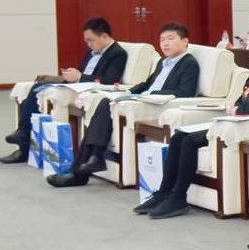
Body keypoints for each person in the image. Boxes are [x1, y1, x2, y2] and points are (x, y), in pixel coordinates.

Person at [137, 28, 249, 220]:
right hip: (233, 122)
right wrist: (236, 109)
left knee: (189, 141)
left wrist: (237, 110)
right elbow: (241, 101)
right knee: (179, 135)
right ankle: (164, 193)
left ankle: (178, 198)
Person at [46, 22, 201, 187]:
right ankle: (91, 160)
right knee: (106, 101)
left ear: (185, 41)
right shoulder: (163, 62)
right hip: (144, 100)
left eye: (170, 39)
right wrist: (128, 92)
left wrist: (149, 94)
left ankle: (84, 168)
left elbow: (184, 92)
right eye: (162, 40)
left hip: (159, 104)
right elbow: (147, 83)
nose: (165, 44)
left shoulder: (189, 63)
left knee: (107, 104)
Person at [3, 17, 129, 165]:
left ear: (104, 36)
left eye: (91, 40)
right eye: (87, 41)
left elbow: (109, 79)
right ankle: (23, 136)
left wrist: (80, 77)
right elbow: (82, 70)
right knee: (37, 89)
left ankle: (24, 138)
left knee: (45, 92)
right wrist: (72, 75)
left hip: (89, 89)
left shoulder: (118, 53)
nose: (89, 44)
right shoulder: (92, 51)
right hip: (77, 84)